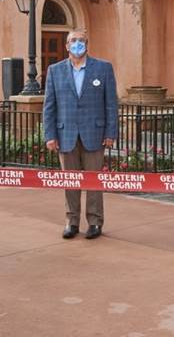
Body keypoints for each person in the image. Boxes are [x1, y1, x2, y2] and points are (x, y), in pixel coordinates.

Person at [43, 27, 118, 239]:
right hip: (65, 134)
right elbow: (49, 105)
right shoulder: (55, 71)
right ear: (67, 46)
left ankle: (95, 222)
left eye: (81, 40)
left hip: (94, 133)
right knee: (70, 180)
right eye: (73, 40)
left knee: (93, 181)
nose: (77, 44)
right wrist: (49, 135)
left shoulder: (103, 68)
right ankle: (71, 221)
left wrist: (111, 133)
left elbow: (111, 104)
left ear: (87, 44)